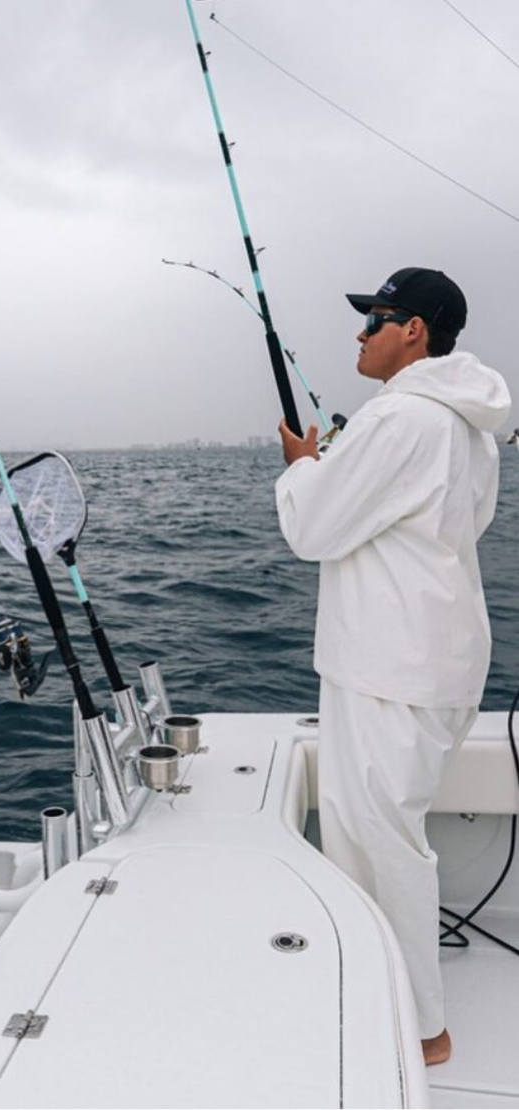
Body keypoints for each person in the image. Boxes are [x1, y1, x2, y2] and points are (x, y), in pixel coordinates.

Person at [275, 267, 511, 1066]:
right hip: (432, 658)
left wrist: (307, 464)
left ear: (416, 330)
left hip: (388, 666)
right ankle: (388, 999)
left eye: (375, 319)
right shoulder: (466, 422)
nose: (361, 333)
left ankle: (418, 1028)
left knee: (380, 843)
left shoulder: (399, 419)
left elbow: (311, 528)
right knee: (380, 834)